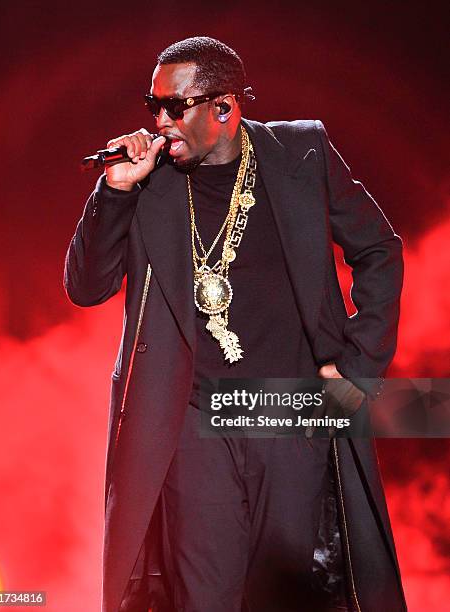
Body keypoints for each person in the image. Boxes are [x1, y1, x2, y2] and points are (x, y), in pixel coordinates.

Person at [64, 37, 407, 612]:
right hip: (193, 423)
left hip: (289, 413)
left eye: (175, 108)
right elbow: (85, 287)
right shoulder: (147, 182)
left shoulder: (301, 153)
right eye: (153, 107)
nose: (160, 124)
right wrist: (115, 191)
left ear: (223, 108)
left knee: (282, 593)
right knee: (204, 594)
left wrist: (358, 364)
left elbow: (379, 249)